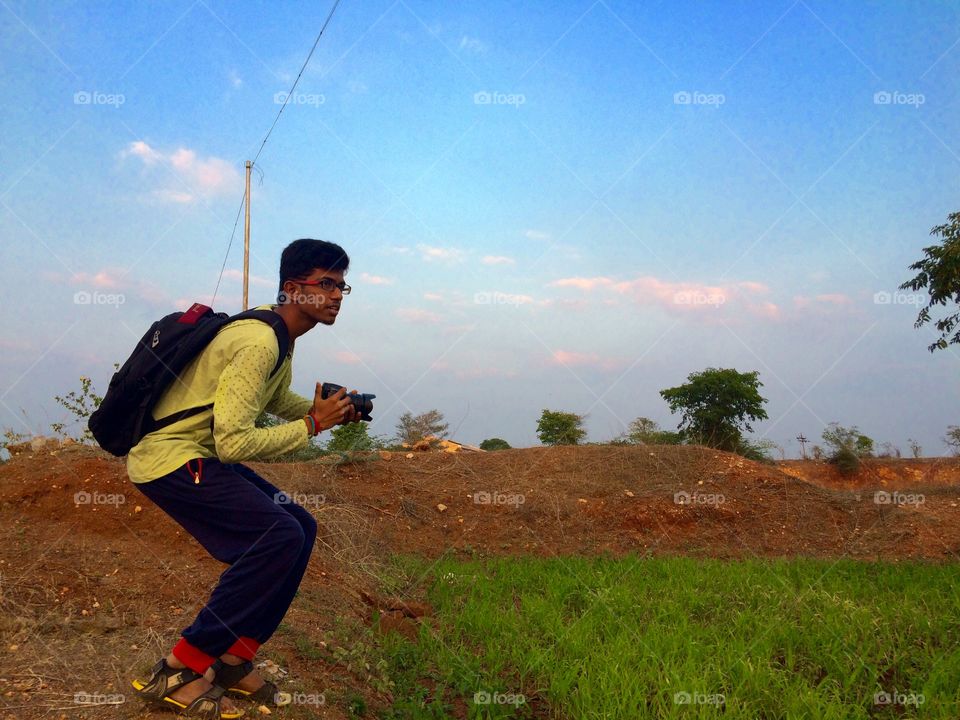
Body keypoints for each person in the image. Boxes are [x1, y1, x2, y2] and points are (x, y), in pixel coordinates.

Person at [129, 239, 360, 718]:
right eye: (326, 284)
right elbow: (234, 441)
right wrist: (312, 427)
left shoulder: (278, 333)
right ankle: (179, 667)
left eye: (342, 286)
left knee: (301, 527)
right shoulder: (260, 340)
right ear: (293, 289)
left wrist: (325, 413)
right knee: (275, 535)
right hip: (171, 459)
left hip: (200, 455)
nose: (336, 295)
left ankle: (234, 658)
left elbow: (269, 402)